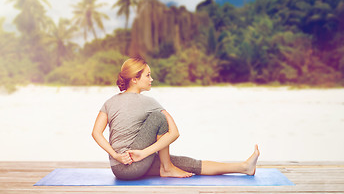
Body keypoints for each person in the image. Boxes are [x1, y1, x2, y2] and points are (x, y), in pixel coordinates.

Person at [92, 57, 260, 180]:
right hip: (135, 165)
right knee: (159, 118)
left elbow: (96, 133)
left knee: (187, 164)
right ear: (135, 79)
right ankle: (167, 167)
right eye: (148, 75)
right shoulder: (149, 102)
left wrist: (116, 155)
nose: (152, 79)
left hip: (118, 169)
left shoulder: (110, 102)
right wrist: (143, 153)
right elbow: (174, 132)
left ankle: (244, 167)